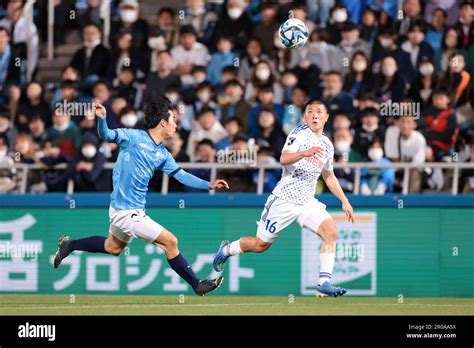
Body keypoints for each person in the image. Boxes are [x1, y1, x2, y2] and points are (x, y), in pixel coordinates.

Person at [53, 97, 229, 296]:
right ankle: (197, 285)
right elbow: (106, 134)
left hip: (128, 210)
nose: (176, 125)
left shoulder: (162, 154)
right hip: (126, 212)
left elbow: (181, 175)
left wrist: (208, 185)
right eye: (173, 119)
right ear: (163, 122)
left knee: (113, 247)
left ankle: (70, 245)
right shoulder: (133, 137)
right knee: (170, 242)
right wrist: (102, 118)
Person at [212, 100, 355, 297]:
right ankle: (226, 250)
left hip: (307, 202)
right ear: (305, 116)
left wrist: (344, 201)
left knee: (331, 232)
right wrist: (305, 152)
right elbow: (283, 159)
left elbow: (328, 176)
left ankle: (324, 282)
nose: (314, 115)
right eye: (310, 112)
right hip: (284, 200)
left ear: (326, 117)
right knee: (260, 245)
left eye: (319, 112)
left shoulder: (327, 145)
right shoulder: (299, 133)